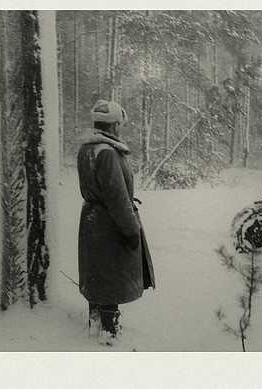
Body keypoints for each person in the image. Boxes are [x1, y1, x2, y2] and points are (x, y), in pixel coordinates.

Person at [77, 100, 154, 345]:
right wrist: (131, 230)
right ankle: (109, 336)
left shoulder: (87, 149)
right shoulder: (108, 153)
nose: (121, 129)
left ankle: (95, 327)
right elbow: (117, 198)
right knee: (110, 278)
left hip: (92, 221)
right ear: (114, 126)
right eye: (120, 124)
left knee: (97, 276)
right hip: (109, 223)